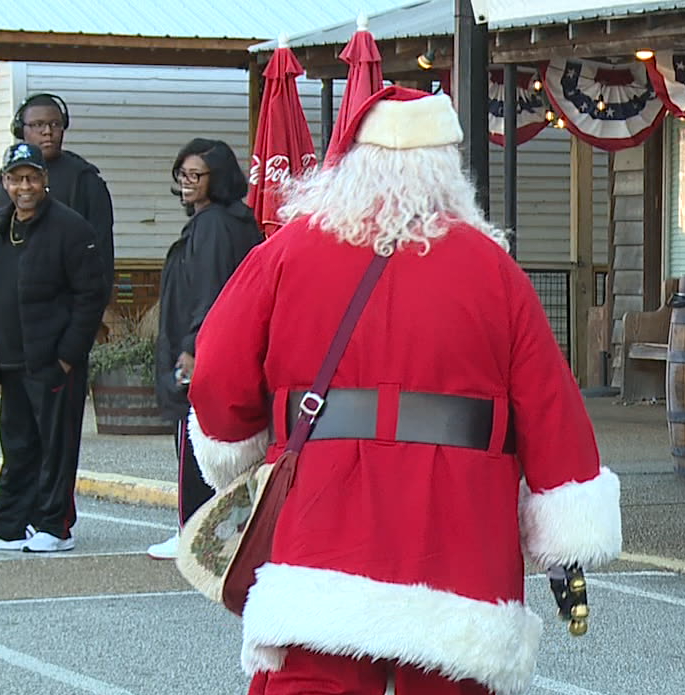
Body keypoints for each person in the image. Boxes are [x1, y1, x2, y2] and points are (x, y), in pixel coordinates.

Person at [186, 86, 622, 695]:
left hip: (322, 524)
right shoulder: (493, 270)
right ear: (447, 168)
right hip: (460, 539)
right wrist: (565, 528)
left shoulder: (289, 252)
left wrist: (241, 447)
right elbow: (549, 403)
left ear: (354, 162)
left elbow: (215, 372)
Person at [145, 139, 262, 560]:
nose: (187, 183)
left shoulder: (213, 225)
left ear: (219, 178)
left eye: (196, 175)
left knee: (194, 445)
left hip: (204, 350)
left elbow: (211, 292)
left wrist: (193, 348)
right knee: (224, 448)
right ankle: (218, 533)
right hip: (229, 350)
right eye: (182, 175)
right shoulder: (236, 222)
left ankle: (191, 532)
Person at [0, 143, 109, 553]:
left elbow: (90, 295)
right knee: (18, 445)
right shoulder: (3, 225)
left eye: (31, 177)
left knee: (56, 446)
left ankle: (54, 525)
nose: (23, 186)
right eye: (16, 178)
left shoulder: (71, 228)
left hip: (53, 361)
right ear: (5, 182)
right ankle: (11, 524)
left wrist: (67, 355)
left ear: (44, 181)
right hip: (10, 360)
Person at [13, 93, 114, 288]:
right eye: (38, 124)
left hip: (68, 298)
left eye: (55, 124)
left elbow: (101, 249)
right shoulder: (8, 181)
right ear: (21, 130)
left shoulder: (85, 180)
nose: (47, 131)